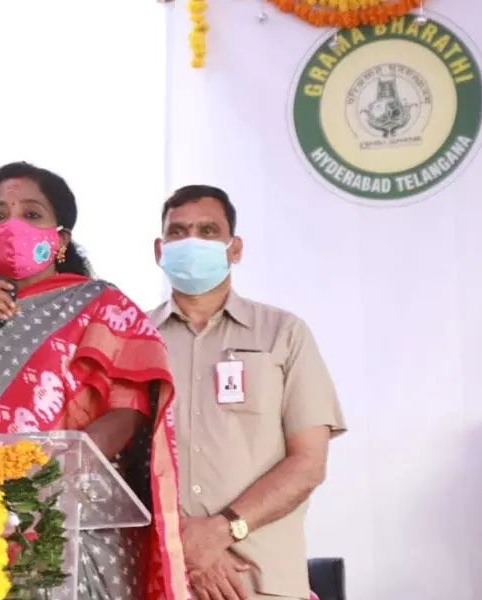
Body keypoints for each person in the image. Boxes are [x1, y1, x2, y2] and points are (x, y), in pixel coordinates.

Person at [0, 162, 188, 599]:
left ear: (61, 238)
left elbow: (129, 414)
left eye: (31, 214)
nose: (11, 226)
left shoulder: (101, 307)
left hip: (58, 534)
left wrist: (34, 484)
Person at [147, 185, 346, 600]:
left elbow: (308, 462)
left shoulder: (283, 334)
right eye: (178, 232)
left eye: (207, 230)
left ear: (234, 248)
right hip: (160, 576)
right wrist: (184, 543)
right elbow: (114, 463)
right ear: (159, 250)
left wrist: (220, 530)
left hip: (260, 582)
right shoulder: (134, 339)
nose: (192, 242)